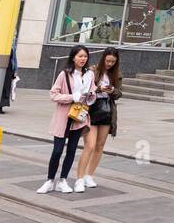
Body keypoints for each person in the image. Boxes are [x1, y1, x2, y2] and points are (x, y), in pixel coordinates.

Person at [39, 46, 93, 194]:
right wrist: (71, 97)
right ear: (73, 57)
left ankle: (63, 180)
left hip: (79, 117)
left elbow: (92, 94)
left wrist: (90, 95)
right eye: (80, 56)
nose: (83, 59)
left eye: (85, 56)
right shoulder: (65, 74)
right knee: (57, 151)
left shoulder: (89, 75)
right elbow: (53, 94)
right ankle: (50, 181)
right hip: (63, 117)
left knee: (71, 150)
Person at [76, 48, 121, 191]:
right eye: (108, 61)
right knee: (89, 145)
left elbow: (119, 93)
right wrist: (99, 89)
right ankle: (80, 178)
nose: (110, 64)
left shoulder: (116, 74)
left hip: (106, 111)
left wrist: (113, 91)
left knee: (100, 146)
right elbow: (83, 90)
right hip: (91, 110)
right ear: (103, 59)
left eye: (113, 62)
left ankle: (90, 175)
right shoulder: (92, 71)